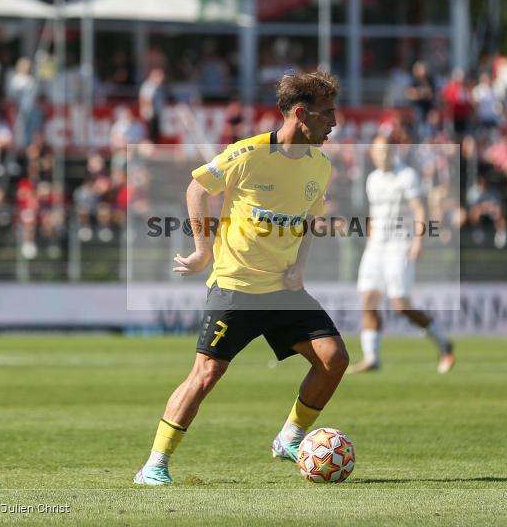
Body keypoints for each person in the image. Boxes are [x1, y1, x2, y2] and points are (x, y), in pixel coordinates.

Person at [134, 70, 347, 486]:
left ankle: (289, 438)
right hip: (236, 287)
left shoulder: (320, 166)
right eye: (327, 113)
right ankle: (154, 465)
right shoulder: (247, 154)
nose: (334, 122)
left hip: (283, 290)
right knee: (206, 374)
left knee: (334, 360)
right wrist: (203, 251)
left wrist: (300, 266)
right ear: (300, 114)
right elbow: (197, 189)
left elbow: (309, 220)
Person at [349, 136, 455, 375]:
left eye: (387, 151)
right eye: (379, 151)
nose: (383, 155)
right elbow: (374, 213)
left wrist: (418, 241)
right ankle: (372, 358)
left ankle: (443, 343)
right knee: (368, 300)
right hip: (376, 247)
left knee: (400, 305)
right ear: (373, 154)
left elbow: (419, 209)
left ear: (394, 152)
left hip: (399, 246)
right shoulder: (372, 179)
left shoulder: (407, 176)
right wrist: (370, 240)